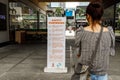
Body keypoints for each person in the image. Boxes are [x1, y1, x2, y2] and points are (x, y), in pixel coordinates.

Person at [71, 1, 115, 80]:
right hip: (102, 74)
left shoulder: (81, 32)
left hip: (85, 74)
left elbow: (78, 54)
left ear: (88, 15)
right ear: (101, 15)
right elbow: (111, 52)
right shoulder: (109, 33)